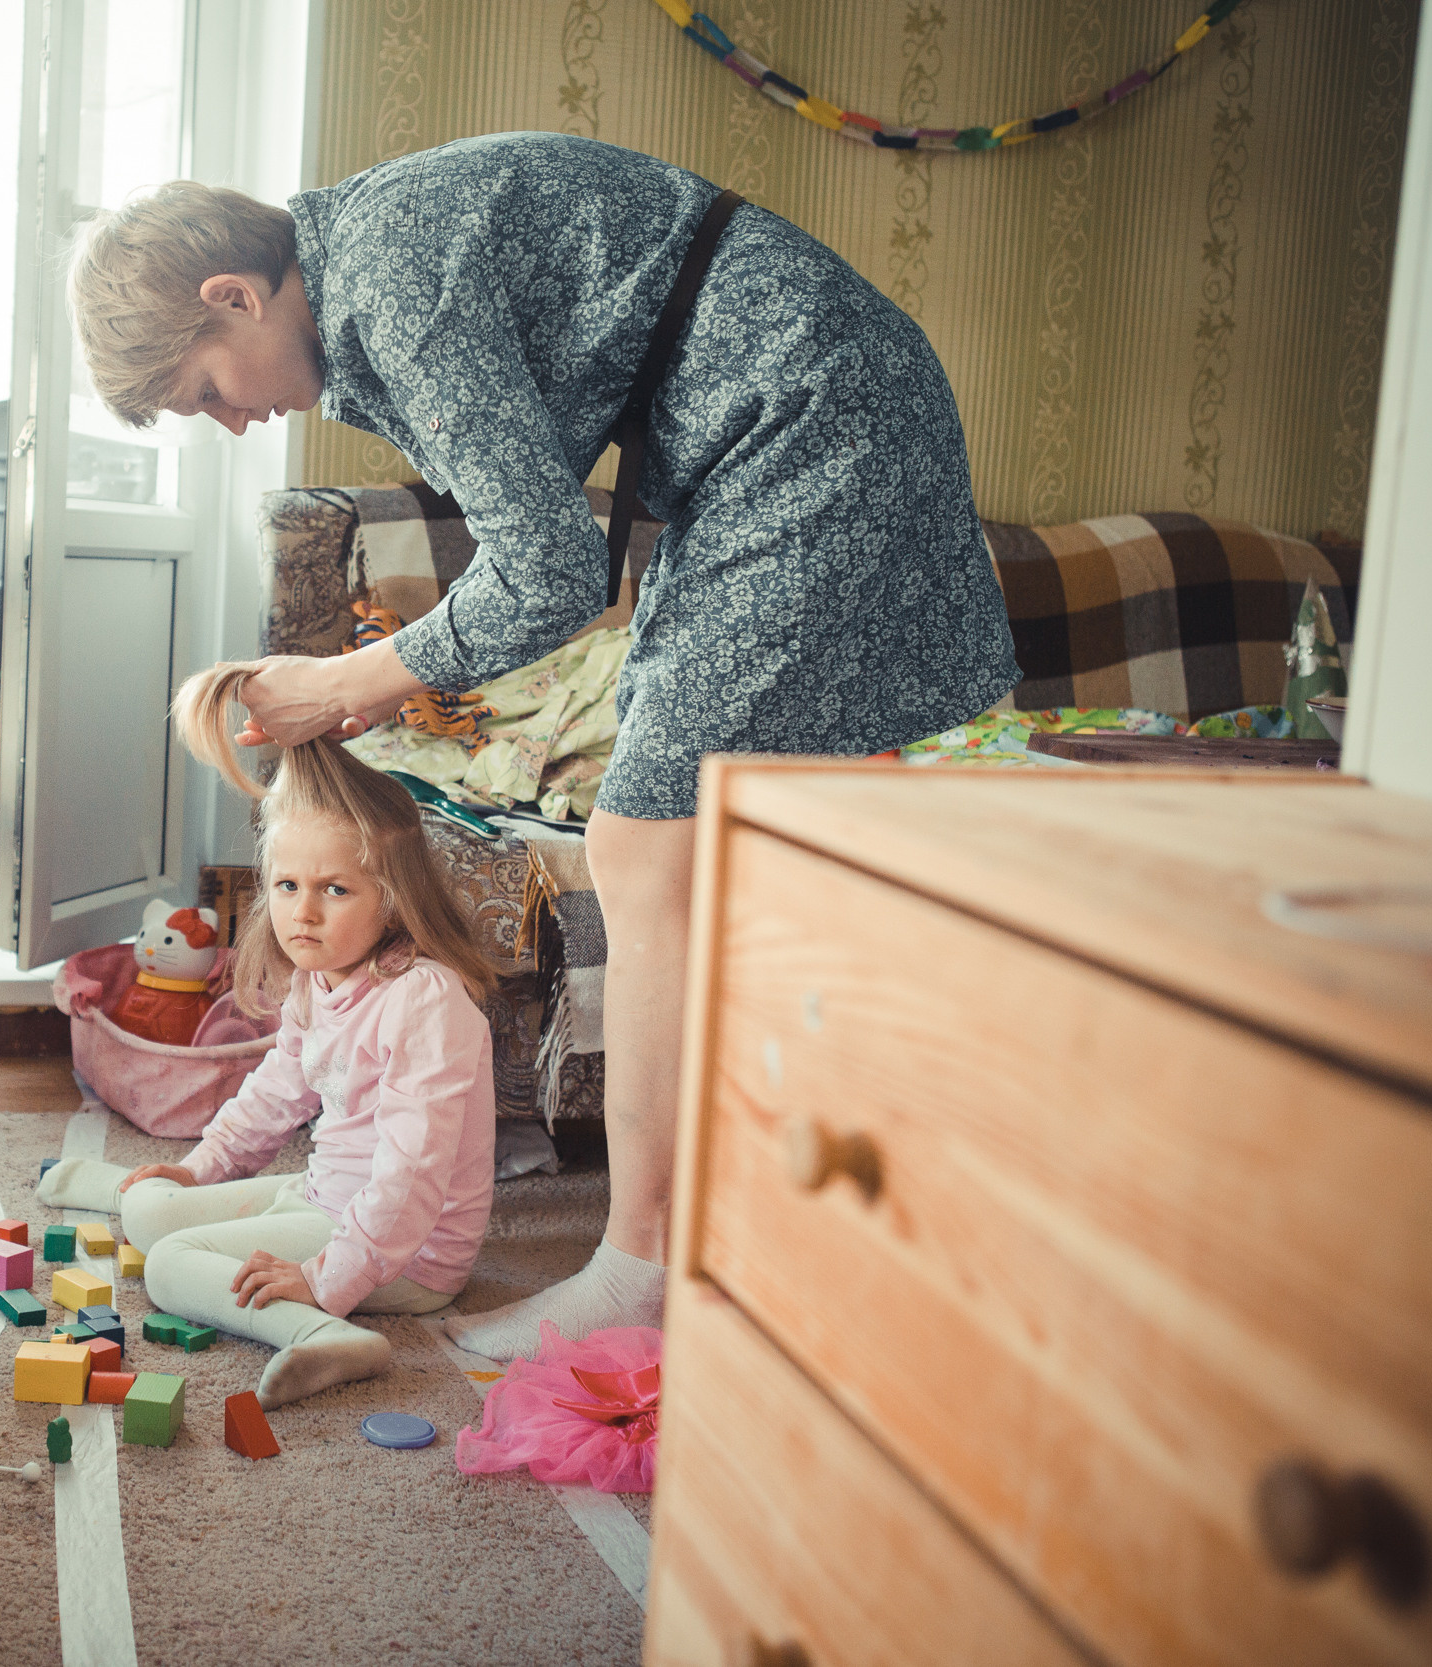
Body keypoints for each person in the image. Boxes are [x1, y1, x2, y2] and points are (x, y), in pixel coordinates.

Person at [67, 132, 1019, 1357]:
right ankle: (741, 1215)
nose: (234, 421)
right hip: (767, 441)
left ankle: (643, 1261)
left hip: (809, 422)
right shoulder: (372, 268)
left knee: (642, 843)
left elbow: (550, 569)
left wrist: (347, 682)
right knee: (714, 830)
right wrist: (369, 689)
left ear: (234, 297)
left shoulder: (393, 277)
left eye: (205, 389)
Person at [38, 665, 497, 1408]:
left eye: (336, 889)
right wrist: (198, 1169)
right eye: (288, 886)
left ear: (395, 896)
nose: (304, 913)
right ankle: (120, 1190)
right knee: (156, 1209)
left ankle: (322, 1334)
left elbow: (413, 1172)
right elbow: (274, 1092)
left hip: (406, 1256)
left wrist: (328, 1281)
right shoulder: (320, 979)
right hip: (324, 1198)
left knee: (169, 1265)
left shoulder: (426, 1000)